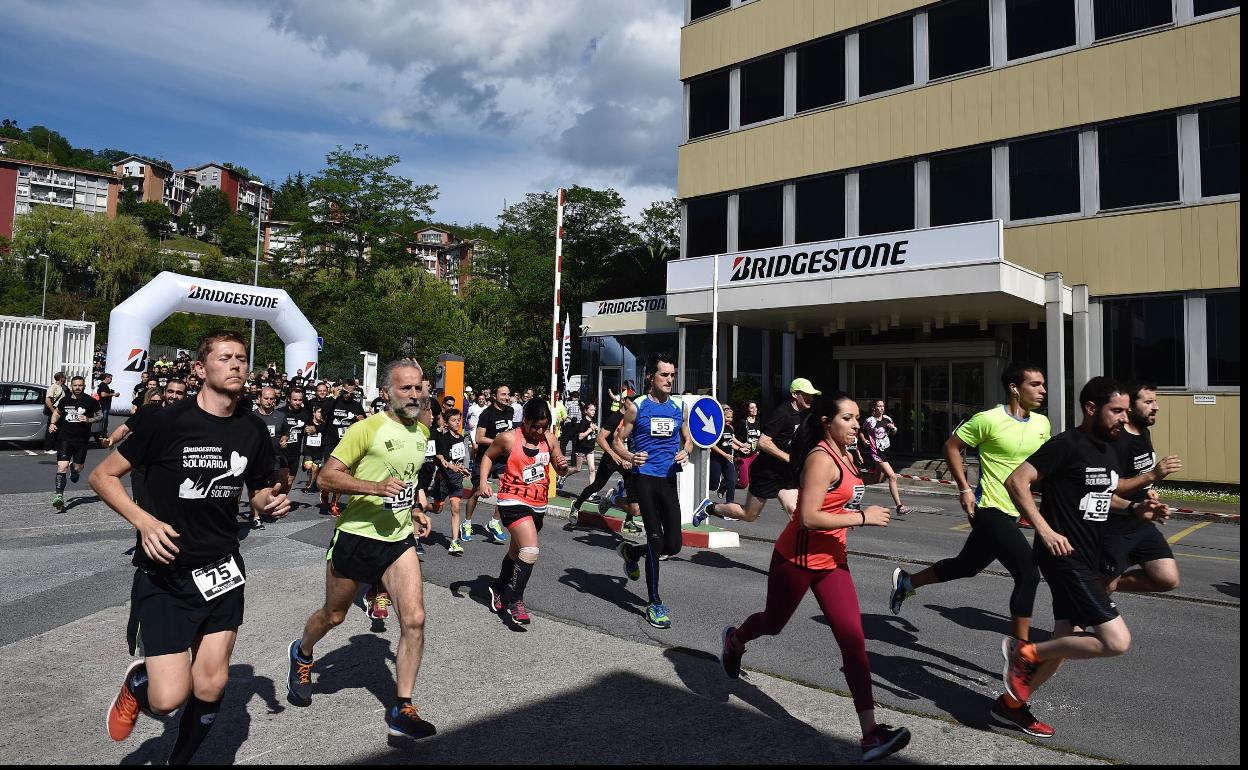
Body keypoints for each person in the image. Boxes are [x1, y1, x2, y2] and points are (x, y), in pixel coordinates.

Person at [92, 330, 289, 764]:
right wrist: (143, 522)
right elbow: (102, 477)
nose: (236, 364)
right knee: (167, 700)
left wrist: (268, 503)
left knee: (212, 685)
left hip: (221, 568)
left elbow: (256, 491)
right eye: (224, 358)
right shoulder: (165, 421)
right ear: (201, 369)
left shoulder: (252, 428)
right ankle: (138, 685)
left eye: (241, 357)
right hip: (166, 572)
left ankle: (179, 760)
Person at [718, 392, 910, 762]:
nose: (856, 424)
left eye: (858, 418)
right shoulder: (821, 458)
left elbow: (844, 495)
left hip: (833, 562)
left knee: (853, 642)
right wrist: (862, 517)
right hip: (797, 559)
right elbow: (807, 518)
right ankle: (735, 641)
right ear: (827, 422)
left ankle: (870, 733)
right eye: (848, 419)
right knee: (773, 624)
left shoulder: (847, 453)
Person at [998, 377, 1180, 735]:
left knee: (1066, 639)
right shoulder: (1067, 445)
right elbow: (1016, 481)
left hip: (1088, 556)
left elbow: (1100, 495)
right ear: (1091, 408)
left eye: (1126, 411)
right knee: (1116, 641)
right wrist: (1046, 531)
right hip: (1065, 556)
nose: (1122, 418)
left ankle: (1011, 704)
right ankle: (1024, 654)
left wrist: (1136, 509)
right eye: (1116, 411)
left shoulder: (1111, 448)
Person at [286, 359, 437, 741]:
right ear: (387, 393)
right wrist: (373, 488)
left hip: (397, 540)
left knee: (414, 619)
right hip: (356, 536)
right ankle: (302, 653)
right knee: (334, 616)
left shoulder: (421, 432)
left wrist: (416, 508)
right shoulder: (365, 428)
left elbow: (407, 477)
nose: (414, 395)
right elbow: (326, 476)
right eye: (406, 388)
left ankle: (403, 706)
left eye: (418, 388)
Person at [888, 363, 1050, 651]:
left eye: (1043, 385)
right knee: (1028, 574)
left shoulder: (1042, 424)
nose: (1043, 390)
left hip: (1015, 511)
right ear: (1014, 388)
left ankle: (907, 582)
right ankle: (1020, 655)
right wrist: (964, 488)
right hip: (988, 508)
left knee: (967, 566)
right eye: (1035, 384)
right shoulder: (987, 420)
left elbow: (1044, 465)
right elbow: (951, 446)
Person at [611, 352, 694, 629]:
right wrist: (629, 455)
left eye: (672, 375)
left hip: (668, 479)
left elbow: (688, 439)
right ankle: (654, 602)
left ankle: (633, 553)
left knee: (674, 545)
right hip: (644, 478)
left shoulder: (678, 407)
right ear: (652, 377)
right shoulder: (637, 406)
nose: (670, 379)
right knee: (656, 539)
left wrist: (685, 452)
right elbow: (617, 440)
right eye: (665, 375)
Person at [476, 398, 570, 624]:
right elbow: (488, 456)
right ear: (524, 421)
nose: (538, 431)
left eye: (543, 427)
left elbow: (559, 468)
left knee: (516, 553)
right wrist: (483, 482)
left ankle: (498, 587)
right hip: (512, 500)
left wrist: (563, 466)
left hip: (538, 503)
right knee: (530, 550)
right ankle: (515, 598)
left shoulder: (550, 439)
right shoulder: (508, 438)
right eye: (534, 426)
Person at [697, 379, 821, 525]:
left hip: (785, 472)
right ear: (795, 394)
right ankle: (710, 508)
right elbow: (763, 442)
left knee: (794, 510)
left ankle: (799, 546)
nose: (811, 398)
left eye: (812, 395)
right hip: (766, 471)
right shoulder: (783, 413)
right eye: (807, 394)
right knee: (748, 514)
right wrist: (788, 457)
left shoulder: (803, 415)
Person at [1102, 381, 1180, 595]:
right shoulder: (1116, 440)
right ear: (1130, 405)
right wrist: (1153, 474)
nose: (1156, 407)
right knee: (1104, 585)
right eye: (1148, 402)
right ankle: (1071, 624)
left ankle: (1098, 586)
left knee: (1167, 579)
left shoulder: (1144, 432)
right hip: (1114, 526)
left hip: (1141, 523)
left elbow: (1137, 475)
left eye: (1155, 401)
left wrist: (1148, 492)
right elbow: (1111, 488)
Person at [567, 392, 642, 533]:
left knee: (633, 486)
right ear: (624, 401)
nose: (634, 404)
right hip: (611, 458)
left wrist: (630, 457)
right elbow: (600, 438)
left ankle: (628, 521)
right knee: (597, 485)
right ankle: (576, 505)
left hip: (626, 459)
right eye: (631, 401)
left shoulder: (634, 418)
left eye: (635, 401)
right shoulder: (615, 418)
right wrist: (613, 454)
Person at [464, 385, 515, 545]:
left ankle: (494, 522)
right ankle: (466, 523)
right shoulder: (487, 413)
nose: (506, 397)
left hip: (501, 459)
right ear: (495, 396)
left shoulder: (510, 411)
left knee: (508, 486)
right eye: (503, 394)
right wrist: (499, 443)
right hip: (485, 457)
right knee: (478, 491)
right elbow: (479, 438)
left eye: (508, 394)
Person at [49, 375, 103, 510]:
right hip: (65, 438)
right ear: (71, 386)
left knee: (78, 467)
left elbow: (101, 415)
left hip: (82, 440)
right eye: (75, 385)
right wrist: (52, 423)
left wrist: (89, 420)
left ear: (84, 386)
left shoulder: (90, 401)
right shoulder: (65, 400)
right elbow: (57, 412)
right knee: (62, 466)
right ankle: (59, 496)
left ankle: (75, 471)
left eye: (80, 385)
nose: (78, 388)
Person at [321, 379, 366, 515]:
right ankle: (326, 489)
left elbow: (363, 420)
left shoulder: (356, 405)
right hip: (331, 441)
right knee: (329, 472)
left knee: (343, 474)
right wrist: (333, 396)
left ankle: (334, 503)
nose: (348, 396)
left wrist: (361, 420)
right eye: (345, 392)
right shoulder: (334, 401)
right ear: (342, 389)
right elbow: (323, 413)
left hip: (346, 444)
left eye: (351, 393)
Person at [862, 400, 911, 516]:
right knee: (893, 477)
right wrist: (864, 440)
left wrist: (893, 428)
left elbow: (894, 432)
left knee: (876, 480)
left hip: (885, 452)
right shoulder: (870, 421)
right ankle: (900, 506)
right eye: (879, 406)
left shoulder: (887, 419)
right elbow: (861, 431)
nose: (882, 408)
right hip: (876, 452)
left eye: (883, 406)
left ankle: (853, 483)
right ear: (874, 408)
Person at [433, 408, 471, 555]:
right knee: (438, 509)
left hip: (456, 480)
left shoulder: (461, 438)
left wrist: (463, 470)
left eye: (459, 420)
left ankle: (454, 541)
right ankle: (420, 508)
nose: (457, 423)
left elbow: (460, 460)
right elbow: (441, 457)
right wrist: (451, 466)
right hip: (443, 478)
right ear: (447, 423)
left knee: (455, 507)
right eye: (453, 420)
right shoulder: (443, 438)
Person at [252, 386, 287, 530]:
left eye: (272, 399)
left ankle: (265, 507)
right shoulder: (252, 416)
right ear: (259, 399)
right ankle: (255, 517)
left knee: (273, 487)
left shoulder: (280, 416)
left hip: (275, 458)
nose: (269, 401)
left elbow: (285, 433)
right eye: (266, 398)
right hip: (257, 458)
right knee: (255, 488)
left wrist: (284, 440)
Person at [278, 388, 316, 497]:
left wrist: (313, 429)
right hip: (281, 452)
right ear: (289, 399)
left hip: (295, 452)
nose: (298, 402)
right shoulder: (281, 412)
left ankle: (279, 501)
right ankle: (275, 503)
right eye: (295, 400)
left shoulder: (306, 413)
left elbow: (312, 427)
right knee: (280, 482)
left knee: (289, 482)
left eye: (300, 400)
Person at [710, 404, 750, 505]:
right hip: (717, 458)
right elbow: (712, 445)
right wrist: (724, 454)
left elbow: (730, 442)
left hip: (728, 458)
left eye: (731, 417)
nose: (730, 419)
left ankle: (729, 506)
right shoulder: (716, 427)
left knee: (731, 482)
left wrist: (740, 448)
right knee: (714, 484)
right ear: (721, 416)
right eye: (728, 417)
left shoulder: (730, 428)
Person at [571, 402, 600, 481]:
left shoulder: (593, 421)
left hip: (590, 448)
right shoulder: (583, 422)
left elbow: (593, 435)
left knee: (592, 469)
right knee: (578, 469)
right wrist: (590, 430)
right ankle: (564, 475)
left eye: (594, 410)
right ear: (586, 411)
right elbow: (580, 437)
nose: (593, 411)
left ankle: (592, 491)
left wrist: (596, 430)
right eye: (591, 410)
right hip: (581, 448)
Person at [43, 371, 67, 454]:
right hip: (54, 410)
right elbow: (48, 400)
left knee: (58, 429)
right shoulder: (53, 387)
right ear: (61, 378)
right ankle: (48, 448)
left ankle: (55, 447)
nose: (66, 378)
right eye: (64, 377)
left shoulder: (62, 387)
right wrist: (54, 411)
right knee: (51, 428)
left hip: (59, 410)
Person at [95, 372, 120, 443]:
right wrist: (113, 394)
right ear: (106, 378)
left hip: (104, 406)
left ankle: (102, 434)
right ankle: (102, 435)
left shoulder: (103, 385)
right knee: (103, 421)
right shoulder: (103, 385)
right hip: (104, 406)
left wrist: (111, 392)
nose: (111, 380)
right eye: (110, 378)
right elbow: (103, 394)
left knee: (103, 421)